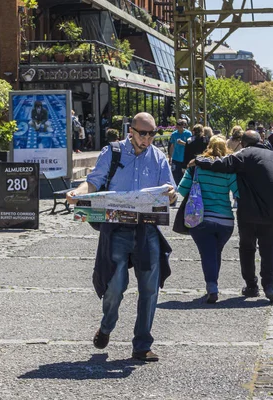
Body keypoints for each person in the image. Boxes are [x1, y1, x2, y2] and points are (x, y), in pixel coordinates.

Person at [66, 112, 177, 363]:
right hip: (116, 228)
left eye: (151, 134)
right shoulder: (113, 152)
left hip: (147, 229)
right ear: (131, 131)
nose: (147, 139)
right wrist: (77, 192)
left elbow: (171, 191)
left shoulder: (159, 157)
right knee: (115, 286)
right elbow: (93, 183)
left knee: (150, 288)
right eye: (142, 134)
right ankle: (107, 326)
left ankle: (142, 344)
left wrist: (171, 194)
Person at [195, 130, 273, 303]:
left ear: (243, 142)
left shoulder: (244, 154)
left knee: (247, 248)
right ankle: (269, 286)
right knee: (269, 248)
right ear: (260, 140)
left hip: (249, 212)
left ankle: (251, 286)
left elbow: (220, 164)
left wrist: (199, 160)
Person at [178, 135, 238, 304]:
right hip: (225, 221)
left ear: (208, 147)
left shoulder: (196, 167)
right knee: (214, 252)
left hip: (201, 219)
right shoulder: (229, 169)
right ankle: (213, 284)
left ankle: (212, 287)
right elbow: (238, 193)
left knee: (208, 253)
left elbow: (181, 190)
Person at [168, 119, 192, 184]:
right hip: (175, 157)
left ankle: (183, 188)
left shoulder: (188, 133)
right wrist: (170, 157)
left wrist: (183, 143)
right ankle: (177, 188)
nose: (179, 128)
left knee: (183, 175)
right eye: (177, 126)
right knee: (175, 174)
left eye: (180, 126)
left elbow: (191, 145)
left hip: (184, 158)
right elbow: (171, 146)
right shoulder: (174, 134)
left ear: (183, 126)